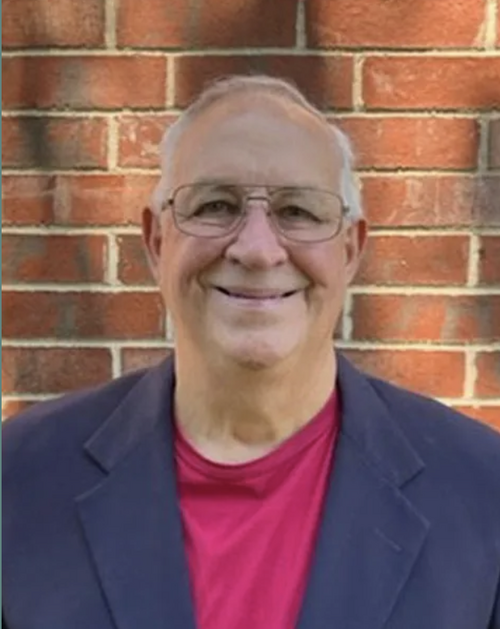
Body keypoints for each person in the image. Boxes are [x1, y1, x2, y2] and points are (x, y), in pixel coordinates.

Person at [3, 74, 500, 629]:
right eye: (216, 205)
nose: (258, 250)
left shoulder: (482, 493)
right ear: (157, 241)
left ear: (350, 250)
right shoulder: (19, 480)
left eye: (298, 211)